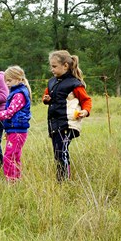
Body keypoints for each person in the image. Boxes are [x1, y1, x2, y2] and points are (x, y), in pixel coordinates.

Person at [42, 50, 92, 181]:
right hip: (54, 123)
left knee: (61, 151)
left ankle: (63, 179)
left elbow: (86, 100)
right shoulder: (52, 82)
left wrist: (85, 111)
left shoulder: (74, 83)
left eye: (54, 66)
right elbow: (47, 96)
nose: (51, 69)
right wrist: (46, 99)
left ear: (65, 66)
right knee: (58, 152)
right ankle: (63, 177)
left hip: (68, 123)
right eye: (51, 66)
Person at [0, 66, 31, 182]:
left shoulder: (19, 95)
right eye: (6, 81)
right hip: (13, 130)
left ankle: (11, 180)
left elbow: (10, 112)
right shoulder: (15, 93)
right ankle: (15, 178)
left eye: (9, 81)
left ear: (18, 79)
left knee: (9, 156)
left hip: (18, 130)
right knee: (14, 156)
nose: (7, 84)